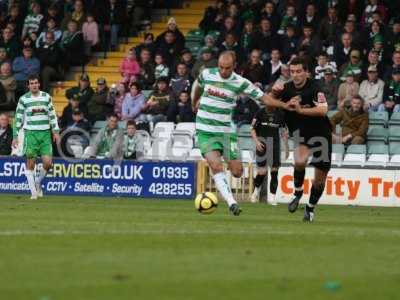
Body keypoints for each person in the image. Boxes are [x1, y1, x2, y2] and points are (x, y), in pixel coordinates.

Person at [192, 51, 271, 216]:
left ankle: (225, 160)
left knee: (237, 172)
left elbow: (262, 98)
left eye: (227, 67)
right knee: (216, 166)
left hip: (226, 132)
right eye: (220, 67)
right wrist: (194, 100)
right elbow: (197, 85)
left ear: (234, 66)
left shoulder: (239, 82)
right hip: (206, 129)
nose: (223, 70)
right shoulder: (207, 74)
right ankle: (231, 202)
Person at [264, 57, 333, 222]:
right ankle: (297, 192)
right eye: (292, 71)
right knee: (299, 160)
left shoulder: (316, 88)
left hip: (321, 134)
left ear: (306, 72)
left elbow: (323, 110)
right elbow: (268, 107)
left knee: (319, 180)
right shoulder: (285, 89)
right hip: (301, 134)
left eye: (299, 71)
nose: (295, 75)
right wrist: (273, 93)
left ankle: (310, 208)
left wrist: (300, 110)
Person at [13, 75, 60, 200]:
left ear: (39, 84)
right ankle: (33, 192)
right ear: (28, 86)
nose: (34, 85)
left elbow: (52, 114)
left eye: (36, 83)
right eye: (31, 83)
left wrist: (56, 131)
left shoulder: (46, 97)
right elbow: (18, 117)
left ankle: (38, 182)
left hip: (45, 134)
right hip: (31, 134)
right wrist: (15, 135)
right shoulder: (24, 99)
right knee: (31, 163)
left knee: (48, 163)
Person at [250, 106, 287, 205]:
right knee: (262, 172)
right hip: (262, 145)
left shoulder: (280, 113)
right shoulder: (260, 112)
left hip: (275, 145)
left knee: (274, 171)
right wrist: (257, 142)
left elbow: (283, 131)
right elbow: (252, 129)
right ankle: (255, 191)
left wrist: (286, 146)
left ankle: (272, 198)